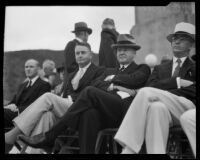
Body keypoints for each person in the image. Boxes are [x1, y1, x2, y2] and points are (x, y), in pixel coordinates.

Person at [18, 34, 151, 154]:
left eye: (125, 49)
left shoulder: (142, 68)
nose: (121, 52)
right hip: (105, 111)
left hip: (125, 111)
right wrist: (116, 86)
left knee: (89, 92)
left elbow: (134, 79)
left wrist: (111, 81)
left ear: (134, 52)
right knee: (88, 114)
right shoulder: (108, 70)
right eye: (119, 49)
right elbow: (95, 84)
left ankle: (51, 135)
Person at [5, 43, 104, 153]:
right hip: (67, 112)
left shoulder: (99, 71)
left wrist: (67, 99)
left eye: (83, 53)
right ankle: (32, 151)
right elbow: (65, 95)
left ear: (90, 55)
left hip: (82, 109)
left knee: (48, 97)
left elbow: (94, 92)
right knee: (46, 115)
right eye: (77, 53)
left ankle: (16, 132)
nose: (80, 55)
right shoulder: (71, 75)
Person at [114, 22, 196, 154]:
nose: (177, 41)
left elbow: (192, 91)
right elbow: (151, 86)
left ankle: (128, 147)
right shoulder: (160, 68)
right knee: (156, 108)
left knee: (146, 93)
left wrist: (162, 92)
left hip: (187, 107)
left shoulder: (194, 66)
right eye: (175, 38)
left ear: (191, 44)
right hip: (166, 109)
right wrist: (177, 82)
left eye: (183, 38)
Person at [4, 59, 51, 128]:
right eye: (26, 67)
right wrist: (9, 106)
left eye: (31, 67)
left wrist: (18, 109)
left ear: (38, 69)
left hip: (27, 115)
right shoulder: (22, 85)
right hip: (14, 113)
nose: (28, 69)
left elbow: (39, 105)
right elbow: (14, 101)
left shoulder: (44, 85)